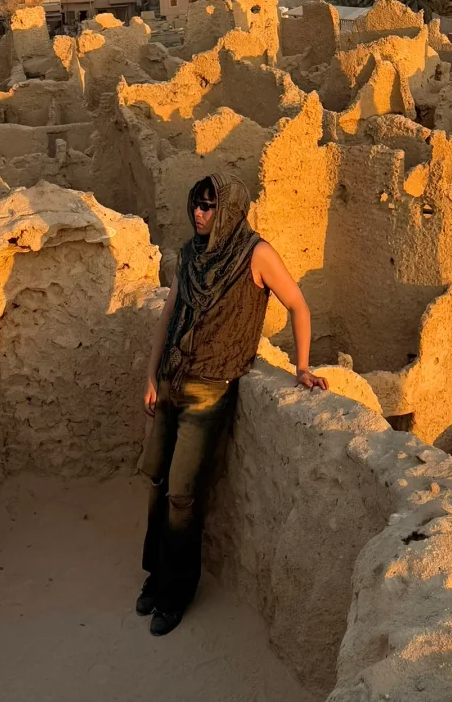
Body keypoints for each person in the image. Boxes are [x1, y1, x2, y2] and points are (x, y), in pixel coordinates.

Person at [138, 172, 327, 636]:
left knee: (183, 494)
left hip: (210, 387)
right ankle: (154, 576)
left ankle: (175, 593)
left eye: (209, 206)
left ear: (230, 209)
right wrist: (151, 374)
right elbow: (170, 314)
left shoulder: (254, 253)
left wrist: (302, 367)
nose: (200, 214)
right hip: (172, 379)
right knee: (159, 483)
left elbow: (298, 305)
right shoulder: (192, 253)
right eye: (196, 205)